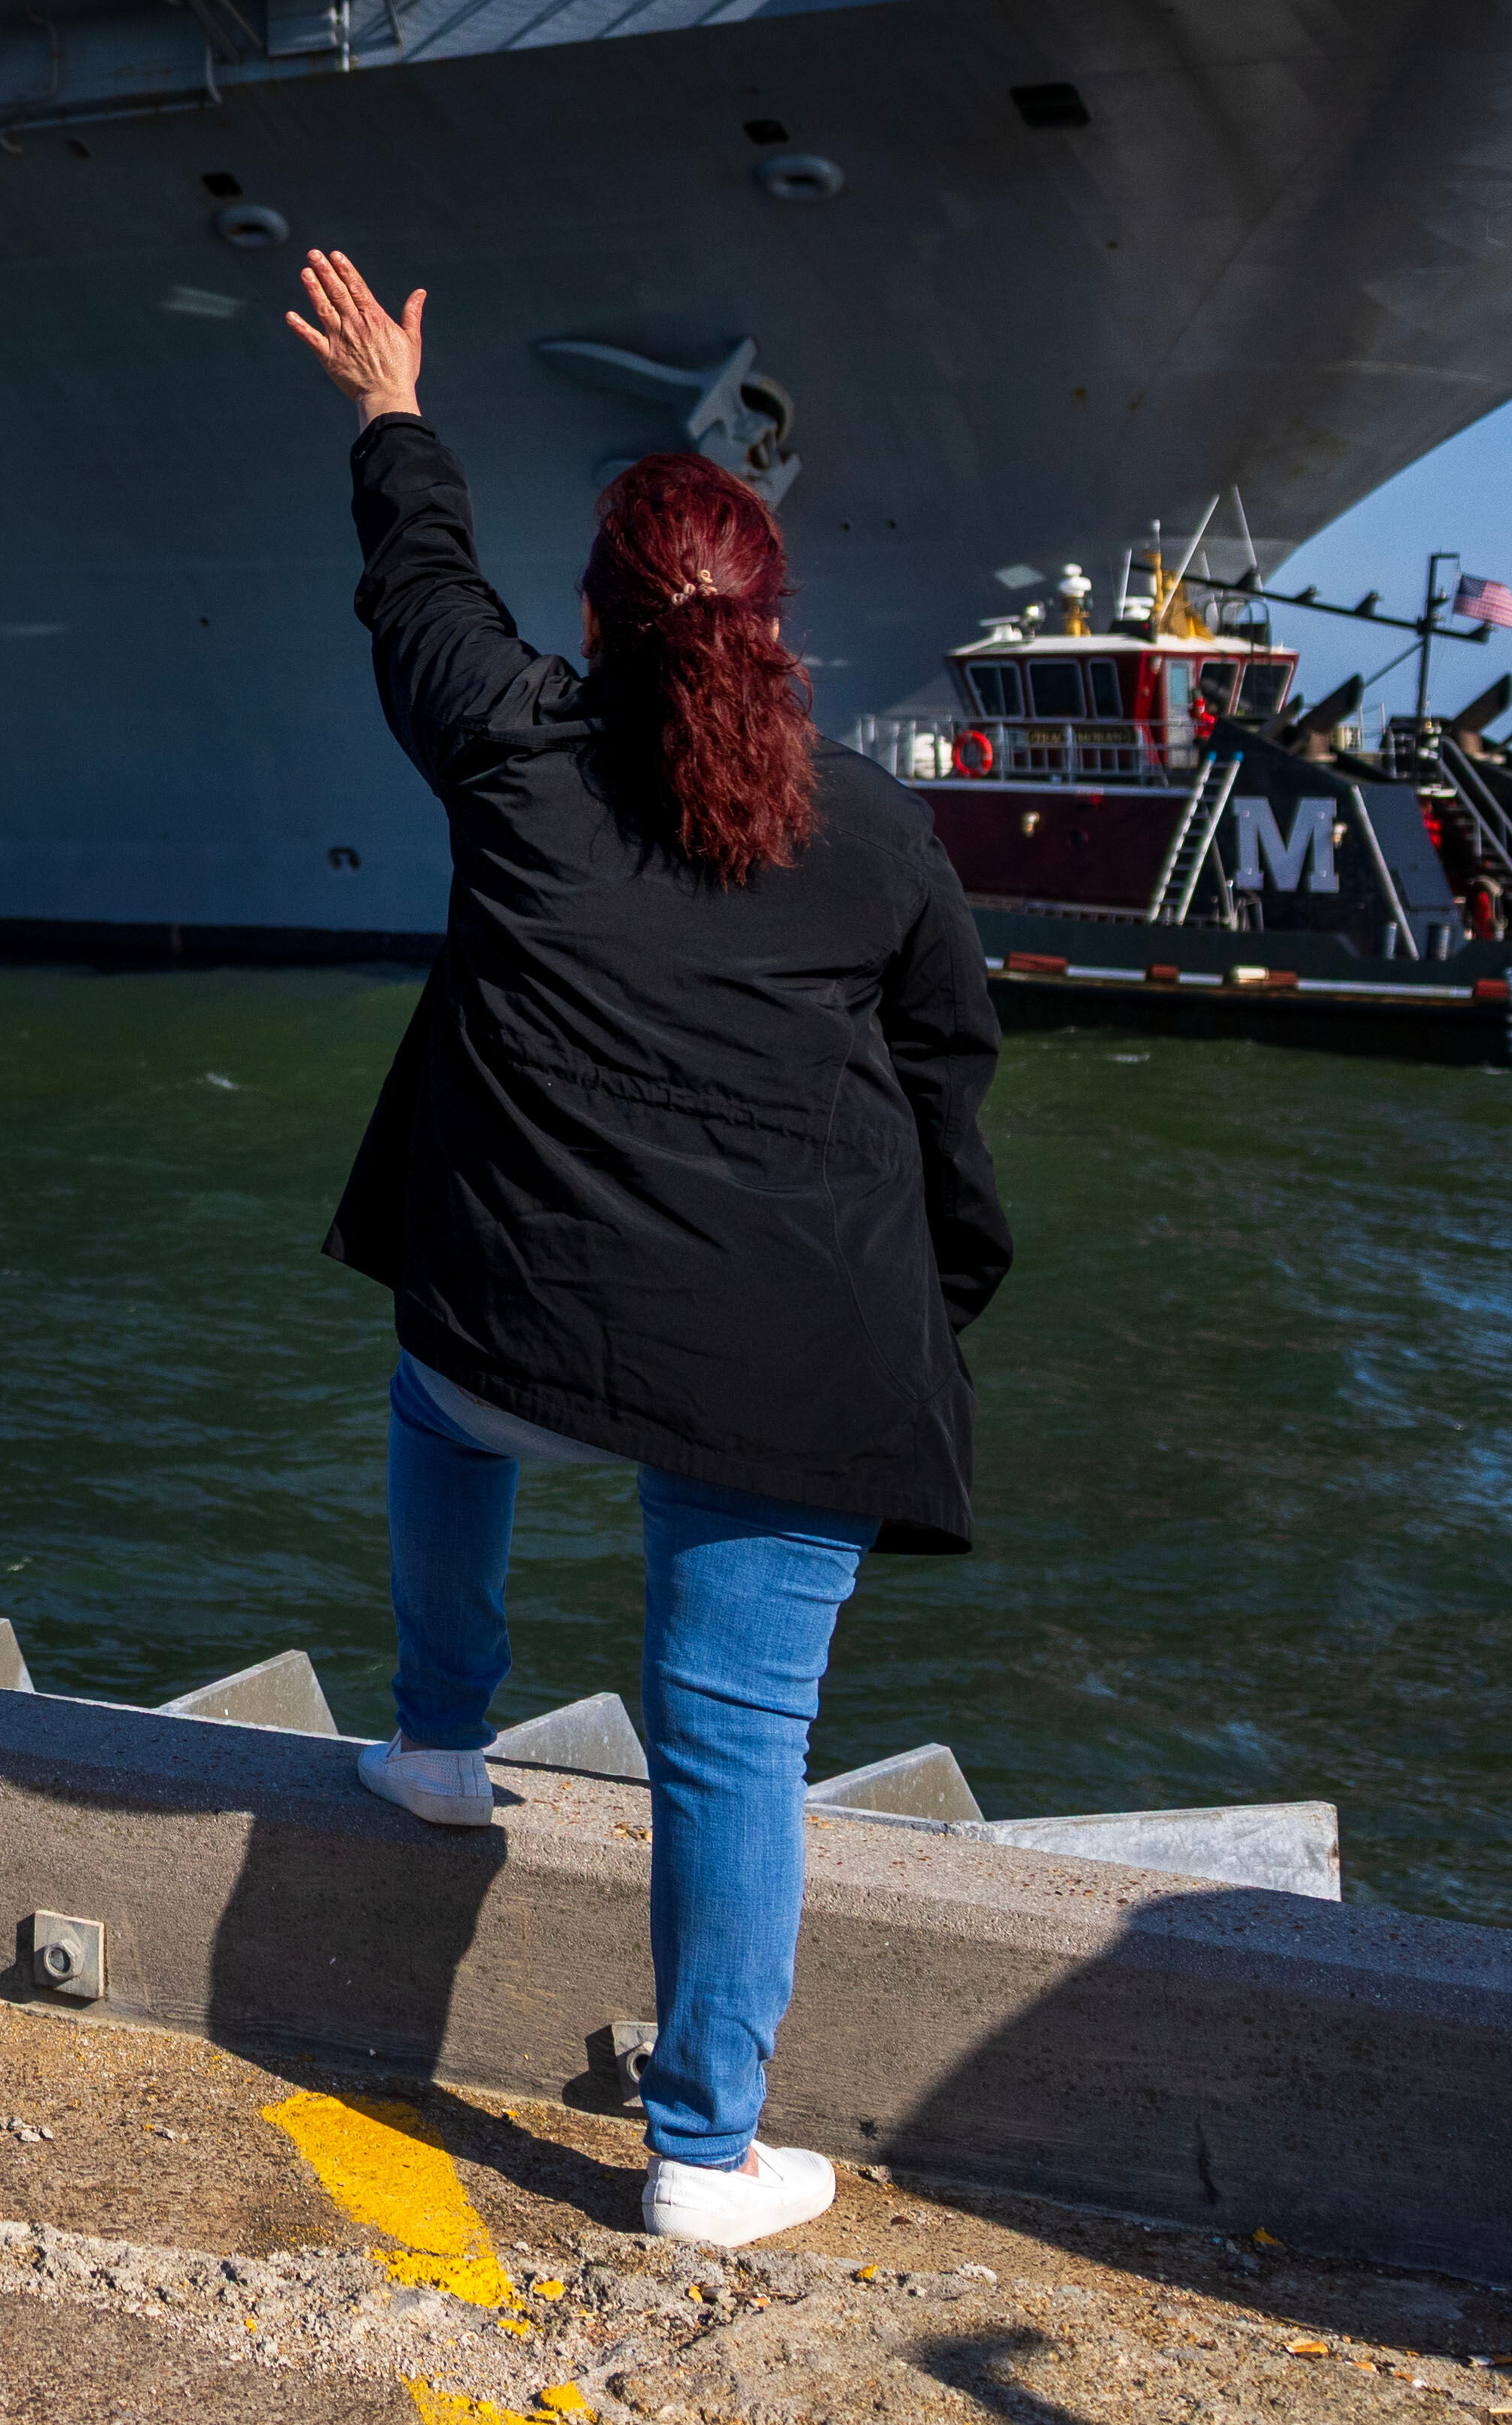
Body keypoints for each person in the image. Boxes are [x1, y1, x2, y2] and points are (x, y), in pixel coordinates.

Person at [273, 251, 1010, 2255]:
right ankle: (699, 2149)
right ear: (771, 634)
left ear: (591, 621)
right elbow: (949, 1066)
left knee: (438, 1400)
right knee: (732, 1739)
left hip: (528, 1320)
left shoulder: (513, 752)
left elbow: (415, 592)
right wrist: (947, 1284)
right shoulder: (869, 830)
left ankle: (437, 1740)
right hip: (793, 1360)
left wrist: (387, 405)